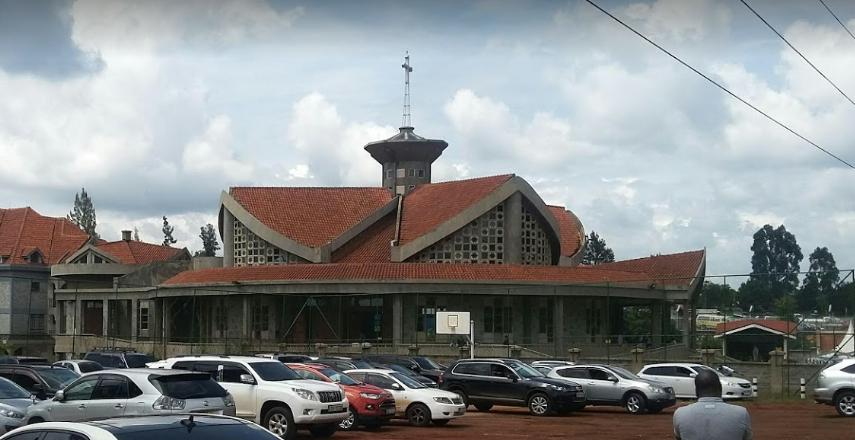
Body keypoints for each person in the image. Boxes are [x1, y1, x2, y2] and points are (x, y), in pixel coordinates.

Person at [673, 369, 752, 440]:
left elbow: (679, 437)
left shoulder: (680, 413)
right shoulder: (741, 413)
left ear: (696, 391)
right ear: (720, 388)